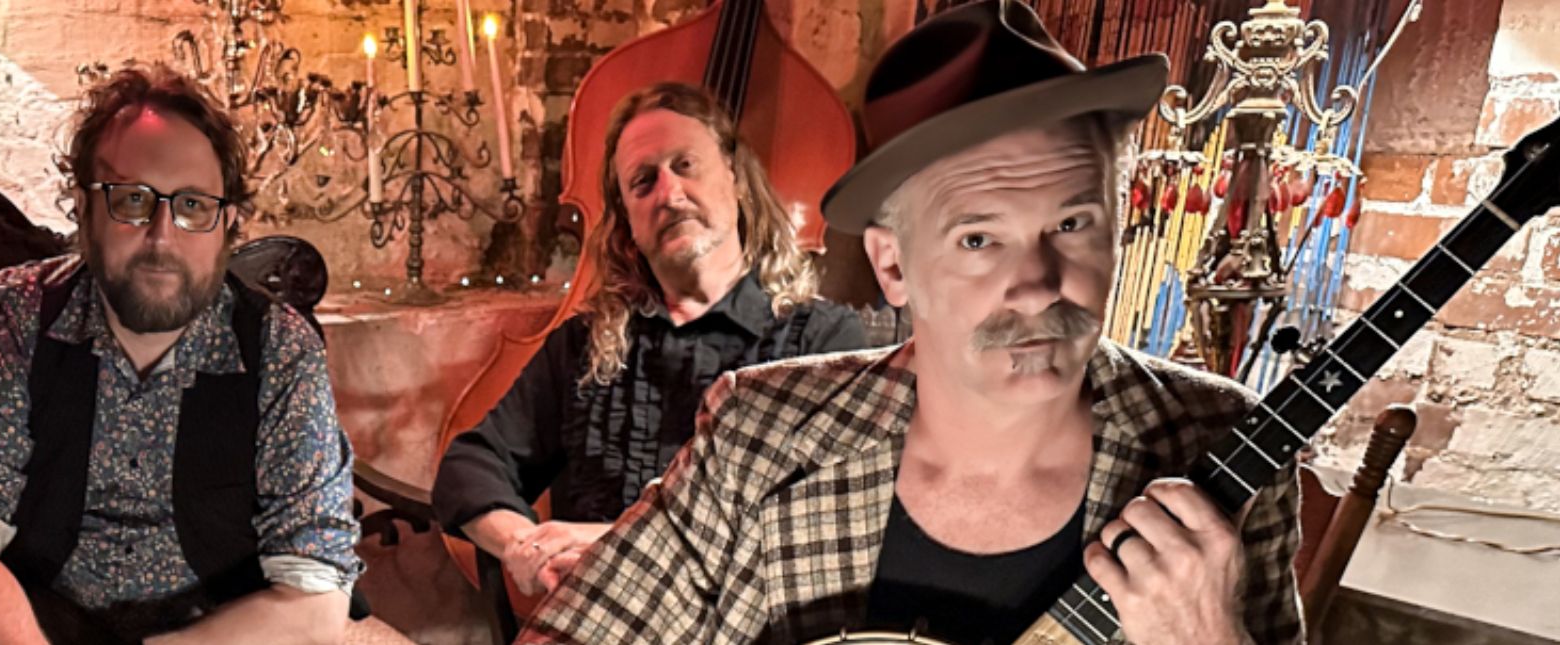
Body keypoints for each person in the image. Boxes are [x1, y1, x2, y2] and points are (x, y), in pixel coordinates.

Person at [520, 3, 1302, 644]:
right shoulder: (757, 433)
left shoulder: (1224, 443)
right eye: (978, 239)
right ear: (893, 265)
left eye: (1072, 223)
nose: (1038, 285)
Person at [0, 63, 361, 645]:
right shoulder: (20, 312)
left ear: (228, 224)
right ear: (83, 207)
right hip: (32, 623)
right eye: (131, 199)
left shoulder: (280, 349)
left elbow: (316, 598)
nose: (162, 236)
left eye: (193, 205)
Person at [432, 82, 871, 598]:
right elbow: (469, 467)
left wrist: (613, 541)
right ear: (627, 222)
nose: (669, 194)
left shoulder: (824, 341)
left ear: (736, 178)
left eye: (686, 165)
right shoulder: (582, 345)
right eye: (643, 182)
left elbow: (827, 528)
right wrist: (523, 544)